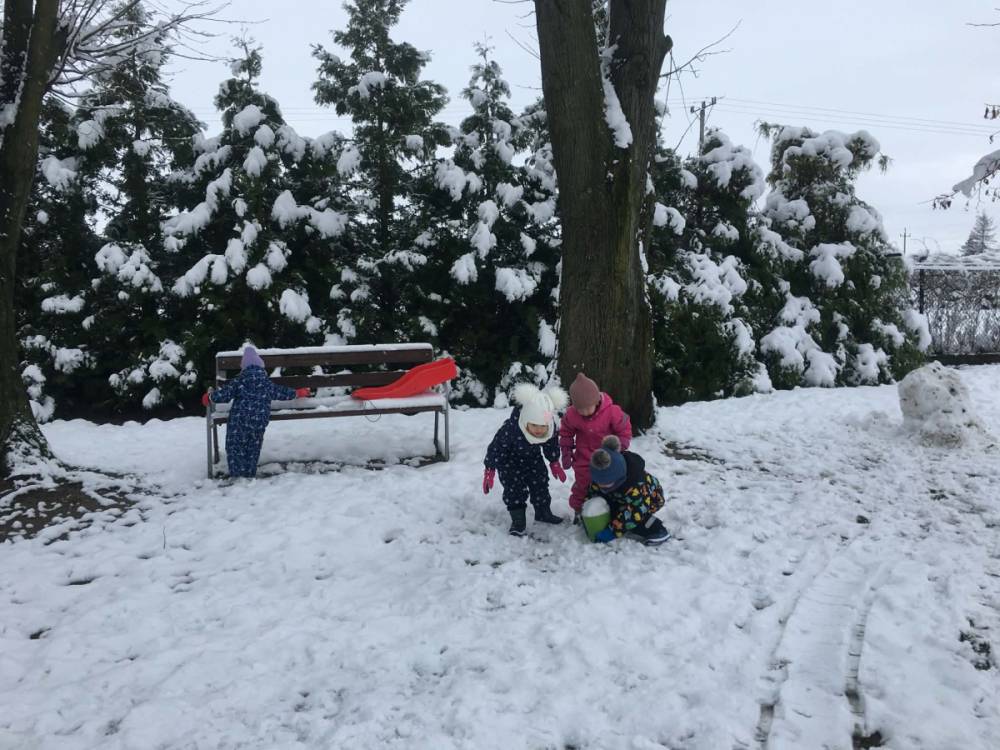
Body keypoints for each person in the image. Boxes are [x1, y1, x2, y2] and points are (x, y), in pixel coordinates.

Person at [203, 345, 309, 478]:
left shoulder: (240, 381)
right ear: (261, 367)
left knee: (235, 447)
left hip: (239, 421)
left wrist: (210, 397)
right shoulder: (266, 383)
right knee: (253, 448)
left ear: (244, 368)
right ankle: (249, 474)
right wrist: (298, 393)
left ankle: (237, 475)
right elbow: (282, 392)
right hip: (258, 422)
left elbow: (225, 394)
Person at [483, 383, 568, 536]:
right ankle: (518, 520)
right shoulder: (511, 429)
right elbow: (496, 448)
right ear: (526, 420)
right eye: (534, 425)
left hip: (533, 458)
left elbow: (550, 444)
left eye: (542, 426)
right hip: (509, 462)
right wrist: (490, 469)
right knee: (514, 490)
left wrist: (554, 462)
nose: (539, 430)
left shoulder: (549, 428)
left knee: (540, 483)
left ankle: (543, 512)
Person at [559, 373, 632, 520]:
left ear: (597, 400)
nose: (584, 412)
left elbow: (624, 429)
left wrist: (621, 445)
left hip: (607, 457)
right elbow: (566, 433)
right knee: (582, 485)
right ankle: (579, 510)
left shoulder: (612, 411)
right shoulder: (572, 414)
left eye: (588, 408)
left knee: (609, 484)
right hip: (584, 457)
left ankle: (612, 509)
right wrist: (566, 451)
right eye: (580, 409)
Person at [587, 435, 670, 546]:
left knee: (633, 520)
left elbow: (634, 512)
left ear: (618, 478)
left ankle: (658, 530)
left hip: (649, 500)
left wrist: (613, 531)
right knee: (612, 509)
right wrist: (587, 508)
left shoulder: (635, 486)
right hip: (622, 497)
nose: (600, 485)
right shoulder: (604, 479)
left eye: (605, 483)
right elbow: (594, 491)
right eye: (598, 482)